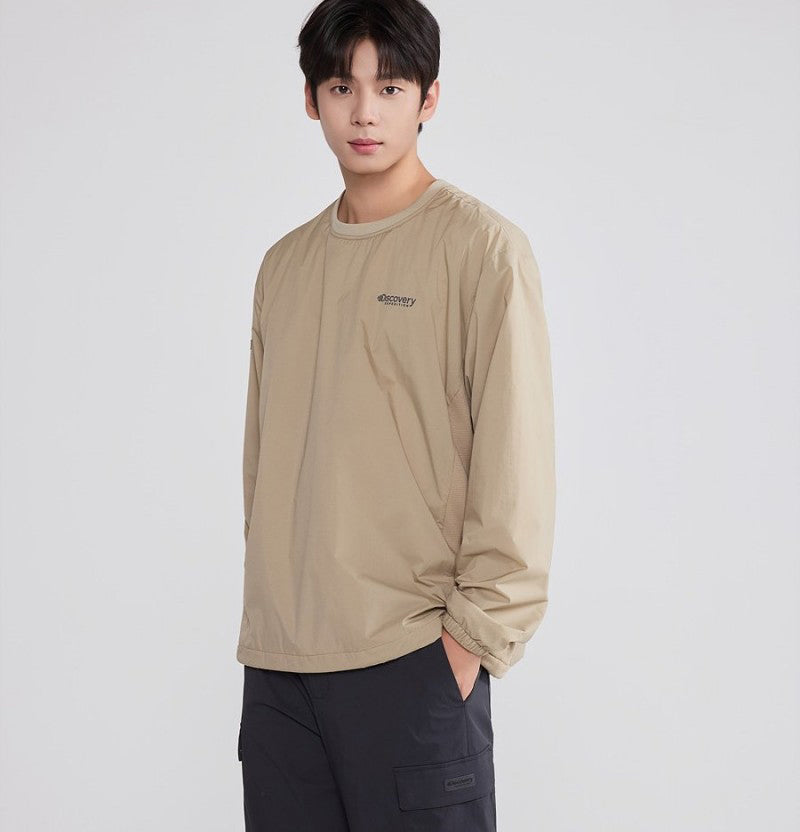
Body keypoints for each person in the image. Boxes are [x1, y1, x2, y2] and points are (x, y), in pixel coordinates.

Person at [236, 1, 556, 829]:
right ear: (312, 99)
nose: (365, 112)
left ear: (429, 98)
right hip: (279, 671)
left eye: (390, 86)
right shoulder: (284, 267)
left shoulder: (482, 251)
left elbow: (517, 465)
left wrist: (470, 644)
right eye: (342, 87)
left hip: (413, 657)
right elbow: (263, 461)